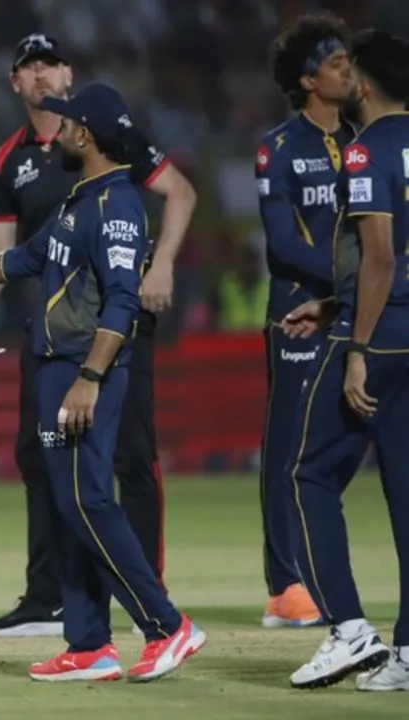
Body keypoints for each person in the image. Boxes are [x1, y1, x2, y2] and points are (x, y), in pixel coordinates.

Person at [0, 83, 206, 683]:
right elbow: (23, 258)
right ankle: (89, 644)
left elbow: (122, 300)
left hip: (79, 366)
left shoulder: (117, 205)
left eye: (67, 124)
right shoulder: (79, 200)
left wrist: (90, 376)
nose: (58, 131)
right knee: (69, 505)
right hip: (53, 365)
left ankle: (167, 625)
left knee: (88, 501)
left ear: (86, 135)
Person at [0, 33, 197, 639]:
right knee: (44, 463)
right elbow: (9, 249)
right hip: (52, 335)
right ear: (15, 82)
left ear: (68, 76)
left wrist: (163, 264)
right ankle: (56, 603)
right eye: (29, 66)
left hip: (110, 330)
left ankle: (147, 594)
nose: (41, 74)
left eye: (51, 63)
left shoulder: (108, 140)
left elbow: (180, 192)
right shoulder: (12, 158)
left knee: (129, 459)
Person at [280, 29, 409, 691]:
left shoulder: (365, 151)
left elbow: (381, 256)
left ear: (363, 80)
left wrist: (355, 345)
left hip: (380, 337)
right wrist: (334, 306)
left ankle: (349, 630)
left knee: (308, 475)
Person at [254, 12, 355, 629]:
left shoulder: (366, 140)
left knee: (355, 438)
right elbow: (283, 244)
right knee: (288, 445)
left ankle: (317, 562)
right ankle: (285, 584)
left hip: (359, 310)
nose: (348, 70)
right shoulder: (279, 147)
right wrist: (351, 281)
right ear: (308, 79)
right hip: (298, 313)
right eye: (336, 62)